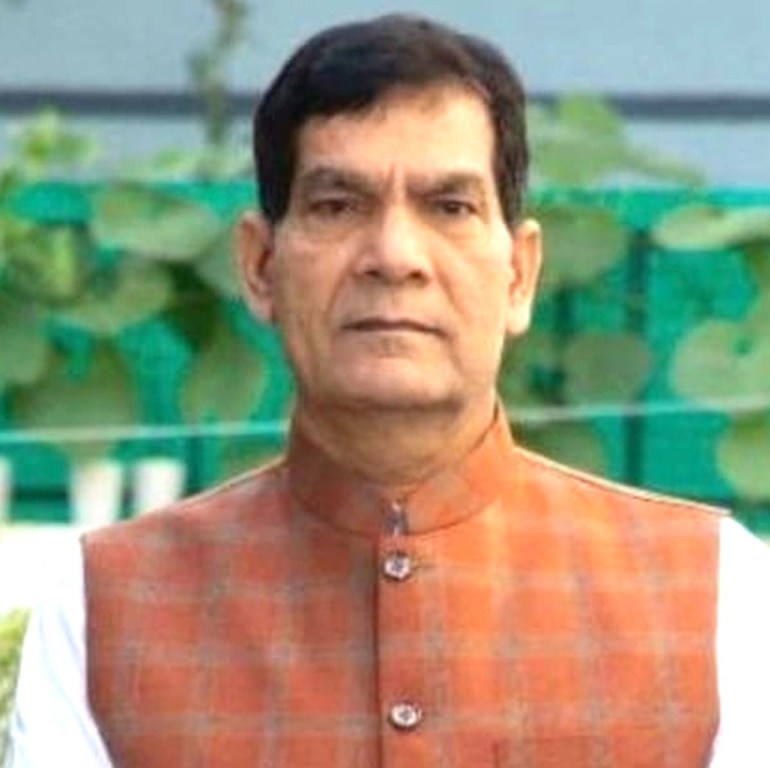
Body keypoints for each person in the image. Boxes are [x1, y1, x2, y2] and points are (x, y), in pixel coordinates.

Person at [6, 13, 770, 768]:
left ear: (520, 274)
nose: (395, 255)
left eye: (450, 207)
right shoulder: (105, 613)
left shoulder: (716, 598)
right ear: (260, 266)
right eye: (338, 206)